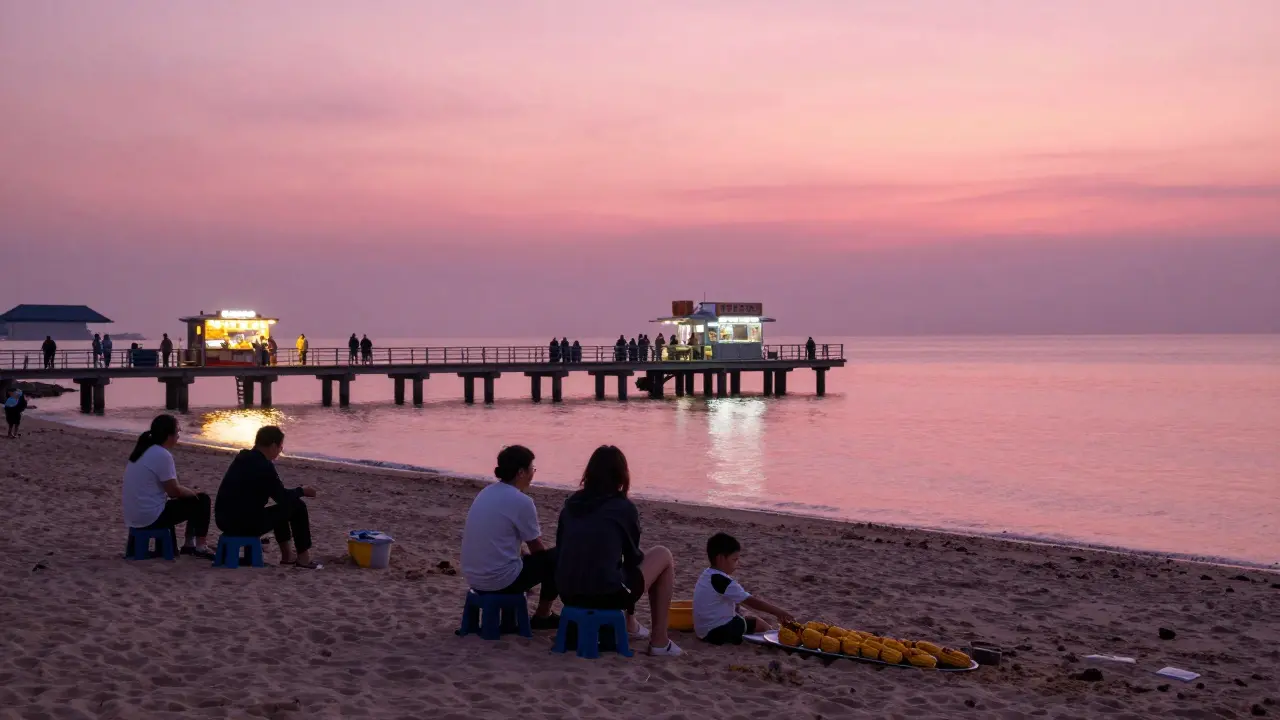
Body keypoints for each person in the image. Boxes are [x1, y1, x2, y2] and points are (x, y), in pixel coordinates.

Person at [556, 445, 681, 656]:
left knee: (612, 568)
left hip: (568, 593)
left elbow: (561, 549)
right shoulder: (622, 508)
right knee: (662, 555)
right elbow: (633, 558)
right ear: (621, 475)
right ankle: (660, 641)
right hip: (605, 595)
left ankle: (630, 624)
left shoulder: (570, 504)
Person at [460, 445, 561, 629]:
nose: (533, 474)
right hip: (499, 581)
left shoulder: (486, 492)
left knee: (536, 560)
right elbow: (536, 548)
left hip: (473, 577)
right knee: (558, 557)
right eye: (532, 469)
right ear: (521, 472)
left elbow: (500, 539)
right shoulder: (522, 501)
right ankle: (543, 614)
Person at [214, 426, 321, 568]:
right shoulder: (263, 465)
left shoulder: (243, 458)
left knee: (281, 508)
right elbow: (282, 496)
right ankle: (303, 558)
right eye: (280, 447)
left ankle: (287, 556)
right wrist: (302, 491)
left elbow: (279, 497)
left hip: (223, 520)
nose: (280, 451)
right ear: (272, 446)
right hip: (242, 524)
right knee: (297, 506)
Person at [121, 414, 214, 558]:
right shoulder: (162, 454)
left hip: (133, 516)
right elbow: (173, 491)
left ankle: (189, 544)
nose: (178, 436)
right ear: (169, 435)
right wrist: (191, 493)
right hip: (149, 516)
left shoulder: (141, 451)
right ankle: (199, 546)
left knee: (191, 500)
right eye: (177, 432)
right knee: (202, 500)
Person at [694, 533, 794, 645]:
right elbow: (753, 602)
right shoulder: (723, 581)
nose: (738, 563)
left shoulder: (706, 574)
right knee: (758, 623)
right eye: (734, 559)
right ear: (721, 558)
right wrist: (778, 612)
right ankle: (774, 639)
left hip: (702, 631)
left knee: (742, 614)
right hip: (717, 632)